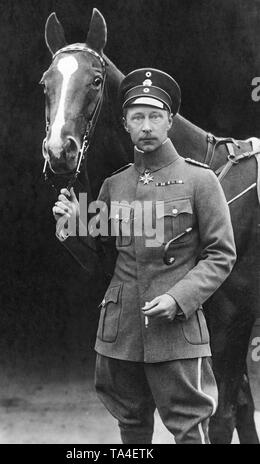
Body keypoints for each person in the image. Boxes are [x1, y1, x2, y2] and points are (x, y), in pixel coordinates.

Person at [52, 68, 237, 444]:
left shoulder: (201, 181)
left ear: (170, 121)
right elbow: (101, 261)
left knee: (190, 430)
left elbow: (221, 255)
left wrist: (177, 298)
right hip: (120, 334)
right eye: (138, 117)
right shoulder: (113, 185)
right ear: (125, 124)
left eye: (155, 116)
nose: (147, 126)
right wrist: (73, 228)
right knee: (132, 430)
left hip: (177, 334)